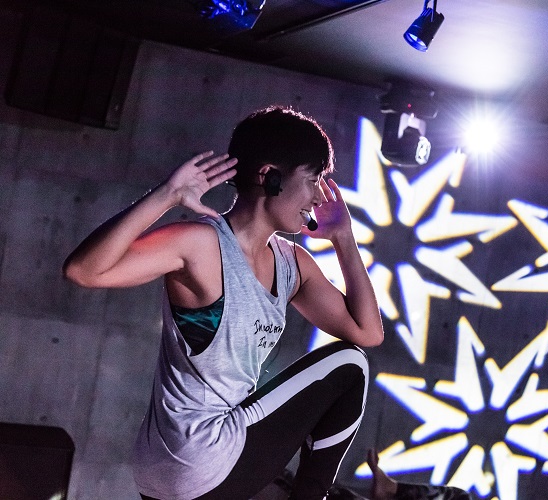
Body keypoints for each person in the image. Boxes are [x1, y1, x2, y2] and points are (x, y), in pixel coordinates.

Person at [63, 106, 384, 500]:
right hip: (199, 453)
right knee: (351, 365)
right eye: (312, 180)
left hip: (172, 471)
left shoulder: (292, 264)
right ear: (269, 176)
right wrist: (166, 197)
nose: (319, 197)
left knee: (354, 356)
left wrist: (343, 238)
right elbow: (84, 271)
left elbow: (367, 331)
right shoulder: (202, 243)